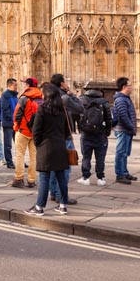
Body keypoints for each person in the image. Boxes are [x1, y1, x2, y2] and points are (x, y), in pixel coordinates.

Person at [25, 83, 71, 216]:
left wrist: (38, 144)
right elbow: (67, 131)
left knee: (44, 178)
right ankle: (63, 205)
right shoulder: (62, 110)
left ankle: (39, 207)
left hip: (46, 148)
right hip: (60, 147)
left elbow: (36, 130)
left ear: (46, 95)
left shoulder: (42, 109)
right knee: (61, 178)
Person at [50, 74, 83, 205]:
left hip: (52, 136)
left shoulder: (49, 95)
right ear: (61, 83)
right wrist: (71, 94)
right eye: (64, 81)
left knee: (54, 166)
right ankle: (61, 195)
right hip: (64, 136)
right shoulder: (64, 97)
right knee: (65, 168)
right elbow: (80, 108)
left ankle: (53, 192)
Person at [76, 88, 112, 188]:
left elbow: (77, 116)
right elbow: (109, 119)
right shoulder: (104, 102)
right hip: (100, 135)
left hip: (86, 134)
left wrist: (81, 130)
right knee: (100, 158)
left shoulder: (82, 100)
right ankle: (100, 178)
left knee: (86, 157)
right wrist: (107, 132)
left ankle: (85, 178)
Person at [11, 77, 42, 188]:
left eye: (24, 84)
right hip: (35, 131)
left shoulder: (24, 97)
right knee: (33, 157)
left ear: (28, 85)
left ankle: (19, 179)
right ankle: (31, 180)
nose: (23, 86)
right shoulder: (41, 97)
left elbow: (17, 113)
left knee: (20, 155)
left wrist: (16, 126)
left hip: (23, 130)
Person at [113, 77, 137, 184]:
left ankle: (124, 172)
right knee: (121, 153)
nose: (131, 87)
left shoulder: (125, 98)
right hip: (123, 130)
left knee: (125, 153)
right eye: (130, 85)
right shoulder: (121, 99)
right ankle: (120, 175)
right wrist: (131, 126)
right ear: (124, 87)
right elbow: (123, 116)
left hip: (127, 130)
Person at [0, 78, 19, 169]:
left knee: (19, 144)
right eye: (14, 85)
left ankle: (20, 161)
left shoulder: (15, 95)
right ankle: (9, 162)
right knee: (8, 145)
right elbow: (5, 109)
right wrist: (12, 120)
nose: (16, 87)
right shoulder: (5, 95)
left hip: (16, 123)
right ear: (9, 86)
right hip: (8, 123)